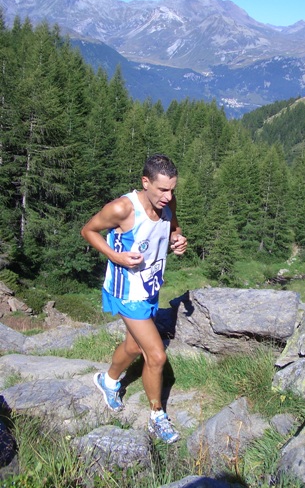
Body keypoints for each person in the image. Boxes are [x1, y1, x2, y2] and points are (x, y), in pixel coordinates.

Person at [81, 154, 187, 444]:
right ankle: (156, 416)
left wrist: (178, 241)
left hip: (150, 286)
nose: (168, 196)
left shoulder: (168, 204)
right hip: (127, 290)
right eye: (162, 189)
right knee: (156, 355)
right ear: (145, 182)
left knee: (133, 346)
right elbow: (88, 230)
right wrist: (115, 256)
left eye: (172, 190)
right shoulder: (122, 208)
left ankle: (108, 381)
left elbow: (174, 229)